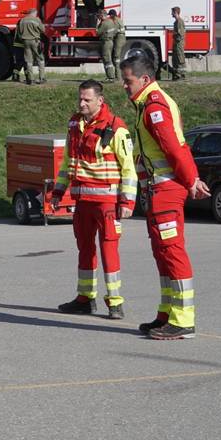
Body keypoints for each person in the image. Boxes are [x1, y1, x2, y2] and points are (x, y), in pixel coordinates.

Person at [120, 51, 208, 339]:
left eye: (128, 81)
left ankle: (183, 320)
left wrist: (191, 179)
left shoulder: (154, 106)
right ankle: (167, 314)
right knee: (162, 253)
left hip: (167, 189)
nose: (124, 86)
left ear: (144, 79)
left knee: (172, 251)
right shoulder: (148, 103)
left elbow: (173, 147)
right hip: (159, 189)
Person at [50, 81, 137, 319]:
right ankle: (85, 298)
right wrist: (58, 192)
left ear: (100, 100)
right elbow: (68, 162)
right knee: (84, 249)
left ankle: (115, 302)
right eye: (80, 99)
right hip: (82, 201)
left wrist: (127, 202)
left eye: (87, 100)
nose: (81, 103)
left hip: (107, 202)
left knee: (109, 250)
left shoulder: (116, 128)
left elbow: (128, 167)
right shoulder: (74, 124)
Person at [15, 7, 46, 85]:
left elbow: (19, 34)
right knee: (40, 58)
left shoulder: (22, 20)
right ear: (34, 13)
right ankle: (42, 78)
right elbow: (43, 30)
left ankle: (30, 79)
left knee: (28, 61)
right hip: (35, 41)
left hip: (25, 42)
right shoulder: (36, 20)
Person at [168, 6, 187, 80]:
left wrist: (175, 36)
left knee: (180, 58)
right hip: (176, 43)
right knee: (175, 58)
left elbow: (180, 34)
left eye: (172, 12)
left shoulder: (179, 21)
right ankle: (177, 74)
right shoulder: (176, 22)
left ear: (175, 12)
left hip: (178, 43)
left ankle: (181, 74)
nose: (171, 14)